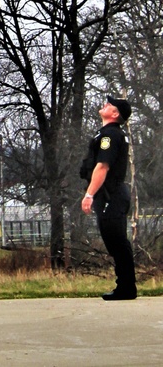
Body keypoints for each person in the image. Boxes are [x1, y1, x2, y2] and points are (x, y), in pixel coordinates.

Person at [80, 94, 136, 300]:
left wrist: (89, 195)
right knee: (113, 242)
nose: (105, 105)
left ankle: (127, 288)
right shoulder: (105, 134)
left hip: (111, 195)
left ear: (115, 113)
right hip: (108, 195)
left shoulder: (110, 136)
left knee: (117, 241)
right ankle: (125, 286)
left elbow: (102, 166)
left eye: (109, 104)